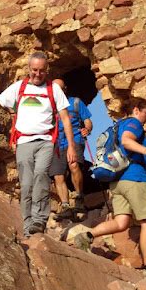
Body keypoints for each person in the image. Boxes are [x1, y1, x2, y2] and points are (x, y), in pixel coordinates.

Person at [74, 97, 146, 277]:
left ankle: (86, 237)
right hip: (135, 179)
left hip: (117, 181)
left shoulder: (117, 125)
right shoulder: (134, 123)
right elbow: (127, 141)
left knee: (122, 222)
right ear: (136, 110)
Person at [0, 52, 77, 238]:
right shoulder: (19, 87)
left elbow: (65, 119)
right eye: (34, 70)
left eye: (42, 70)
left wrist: (72, 146)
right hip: (24, 141)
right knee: (26, 185)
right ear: (29, 69)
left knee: (41, 175)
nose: (37, 74)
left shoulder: (54, 89)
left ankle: (39, 220)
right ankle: (27, 226)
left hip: (45, 140)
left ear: (47, 70)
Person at [49, 78, 92, 220]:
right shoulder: (49, 106)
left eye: (60, 88)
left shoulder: (76, 102)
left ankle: (79, 198)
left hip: (74, 139)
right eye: (55, 88)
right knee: (58, 175)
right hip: (57, 143)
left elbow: (87, 121)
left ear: (65, 89)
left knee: (74, 166)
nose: (57, 91)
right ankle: (66, 205)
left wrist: (87, 129)